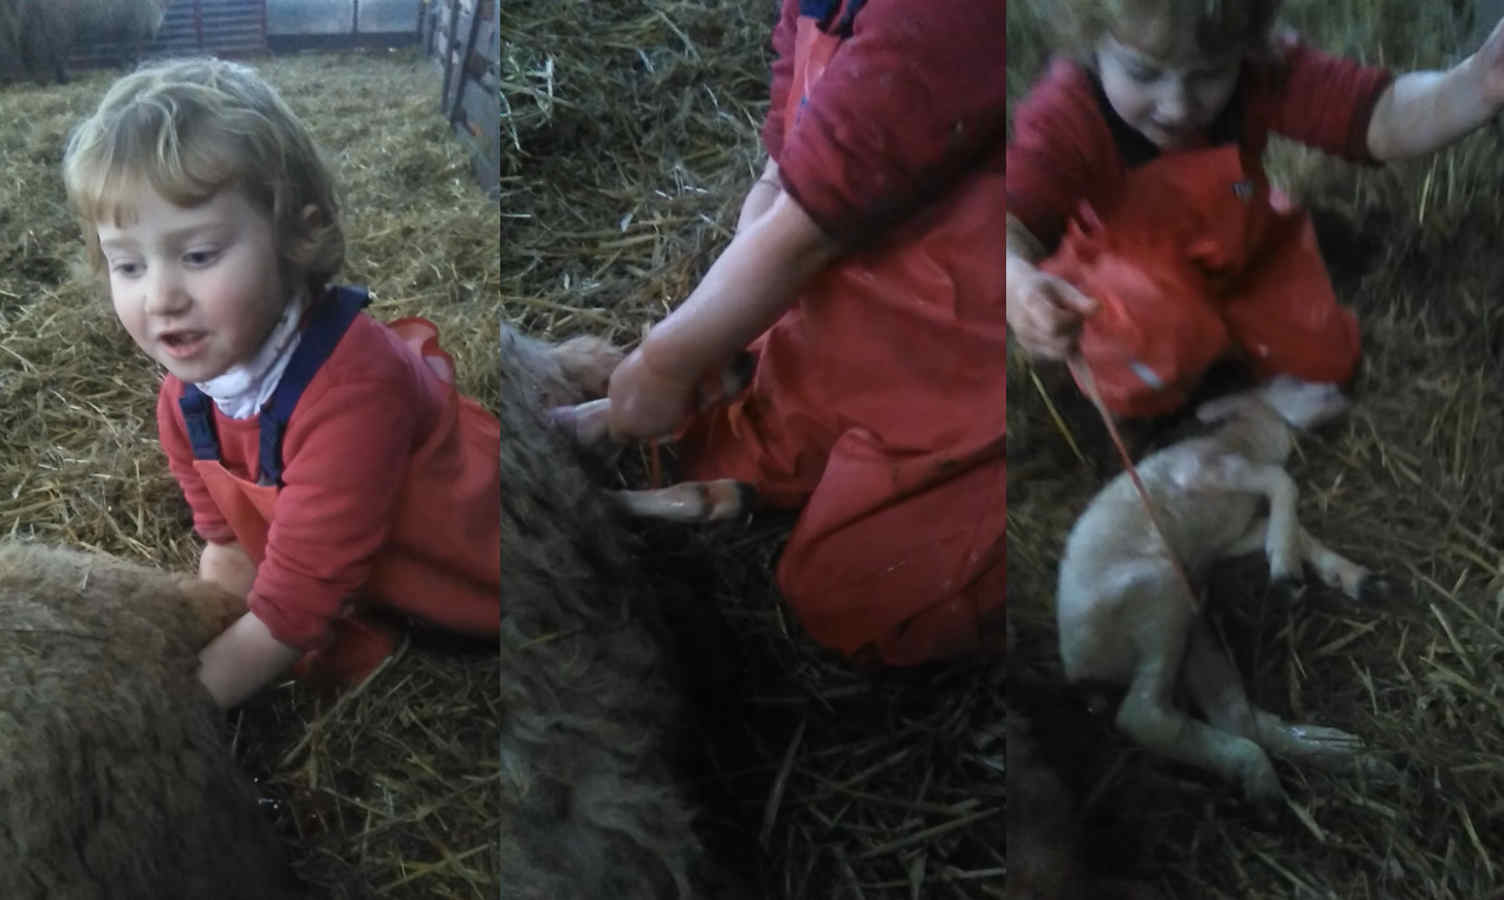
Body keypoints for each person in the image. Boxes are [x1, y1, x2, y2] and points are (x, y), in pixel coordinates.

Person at [61, 58, 500, 709]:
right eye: (127, 264)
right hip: (356, 575)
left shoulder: (354, 391)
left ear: (298, 233)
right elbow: (226, 544)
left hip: (471, 565)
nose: (160, 298)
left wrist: (174, 714)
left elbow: (297, 604)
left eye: (199, 255)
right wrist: (212, 629)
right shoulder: (185, 402)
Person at [605, 0, 1005, 666]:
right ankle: (812, 444)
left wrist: (665, 361)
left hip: (959, 351)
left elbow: (812, 225)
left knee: (864, 596)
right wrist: (756, 229)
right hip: (854, 304)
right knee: (707, 442)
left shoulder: (948, 15)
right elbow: (793, 122)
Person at [1006, 0, 1504, 418]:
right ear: (1089, 37)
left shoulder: (1259, 68)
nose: (1178, 105)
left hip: (1233, 250)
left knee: (1325, 363)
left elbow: (1379, 116)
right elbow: (1006, 225)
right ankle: (1166, 414)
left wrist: (1475, 85)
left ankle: (1226, 362)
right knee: (1148, 338)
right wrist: (1020, 286)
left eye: (1209, 73)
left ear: (1247, 44)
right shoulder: (1067, 113)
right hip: (1131, 292)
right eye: (1143, 72)